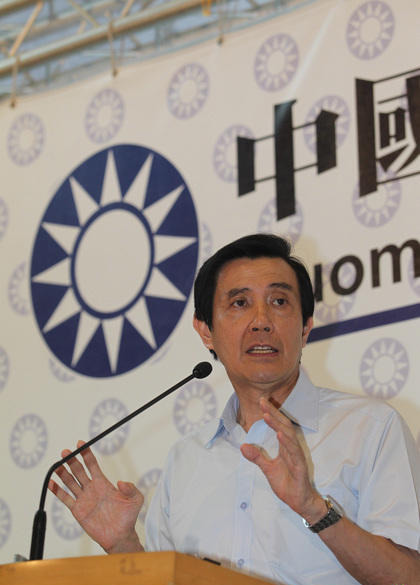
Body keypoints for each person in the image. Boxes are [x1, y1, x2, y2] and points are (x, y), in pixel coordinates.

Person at [49, 234, 420, 585]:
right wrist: (123, 546)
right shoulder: (186, 459)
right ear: (206, 331)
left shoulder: (370, 428)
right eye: (240, 303)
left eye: (279, 302)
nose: (261, 321)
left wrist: (314, 508)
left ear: (306, 327)